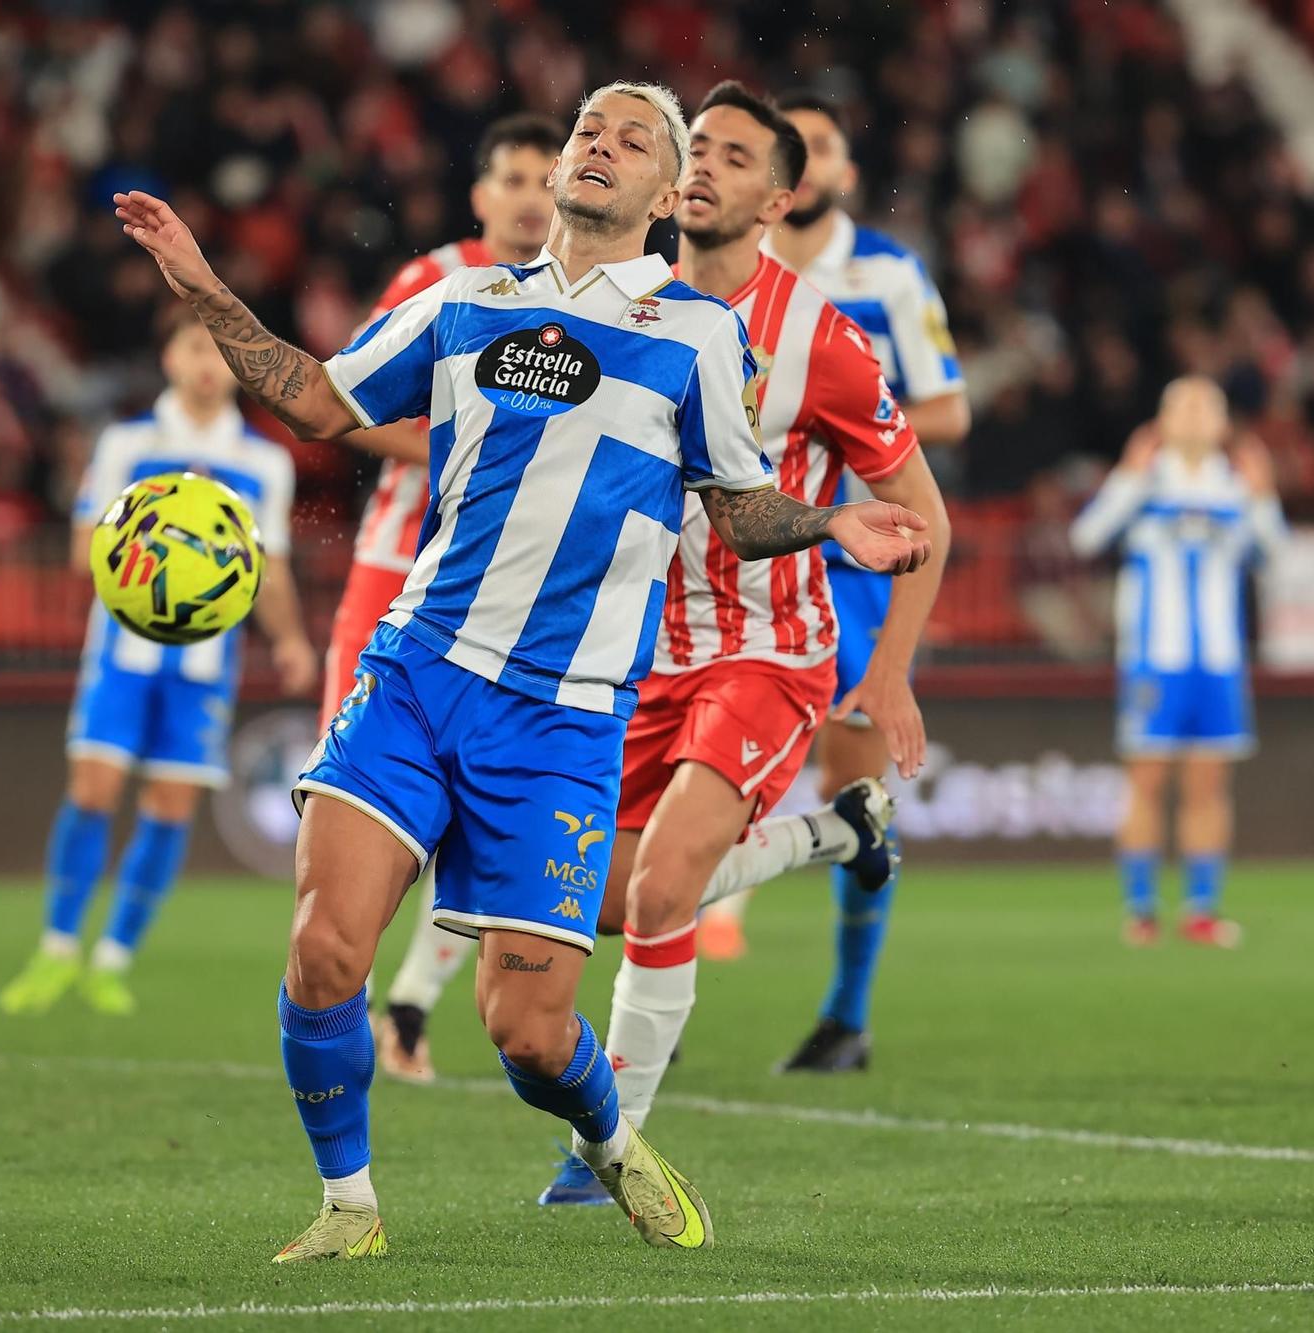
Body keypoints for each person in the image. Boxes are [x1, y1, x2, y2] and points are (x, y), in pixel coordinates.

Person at [114, 79, 931, 1261]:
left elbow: (740, 508)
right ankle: (350, 1208)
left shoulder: (700, 338)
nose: (602, 146)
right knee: (323, 950)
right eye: (587, 131)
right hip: (417, 670)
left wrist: (830, 524)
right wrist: (198, 279)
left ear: (664, 192)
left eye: (634, 139)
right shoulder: (463, 303)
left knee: (530, 1033)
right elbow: (318, 400)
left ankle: (609, 1140)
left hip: (561, 718)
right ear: (555, 173)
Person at [537, 81, 950, 1205]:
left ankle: (603, 1155)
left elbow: (926, 514)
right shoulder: (624, 306)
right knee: (607, 903)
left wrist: (890, 672)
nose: (704, 167)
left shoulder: (821, 335)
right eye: (696, 150)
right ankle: (834, 832)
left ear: (778, 196)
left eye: (731, 155)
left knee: (666, 892)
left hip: (767, 654)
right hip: (631, 660)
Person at [701, 91, 970, 1072]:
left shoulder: (885, 279)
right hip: (729, 551)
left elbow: (947, 412)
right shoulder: (716, 263)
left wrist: (844, 410)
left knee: (848, 777)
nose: (807, 162)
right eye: (794, 147)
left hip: (848, 557)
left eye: (823, 146)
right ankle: (663, 985)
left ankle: (845, 1014)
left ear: (844, 174)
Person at [320, 112, 562, 1086]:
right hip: (394, 564)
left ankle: (408, 1006)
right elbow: (345, 406)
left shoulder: (585, 301)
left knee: (477, 811)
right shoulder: (434, 280)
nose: (532, 194)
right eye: (513, 177)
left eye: (548, 176)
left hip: (510, 585)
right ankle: (337, 996)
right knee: (358, 796)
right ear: (481, 196)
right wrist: (456, 443)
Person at [0, 313, 315, 1017]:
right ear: (169, 358)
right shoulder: (129, 444)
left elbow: (270, 569)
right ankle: (55, 949)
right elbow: (84, 550)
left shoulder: (265, 462)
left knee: (169, 806)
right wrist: (160, 531)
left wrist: (290, 638)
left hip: (205, 663)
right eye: (193, 346)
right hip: (121, 650)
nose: (207, 361)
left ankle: (111, 959)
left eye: (218, 349)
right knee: (92, 791)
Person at [1069, 377, 1285, 947]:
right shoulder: (1145, 481)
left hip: (1217, 661)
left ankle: (1201, 911)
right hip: (1152, 661)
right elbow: (1086, 537)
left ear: (1222, 424)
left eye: (1203, 406)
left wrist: (1263, 496)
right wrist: (1127, 477)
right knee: (1146, 781)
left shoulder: (1237, 485)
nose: (1191, 416)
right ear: (1161, 420)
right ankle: (1140, 911)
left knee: (1209, 786)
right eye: (1180, 405)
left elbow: (1276, 555)